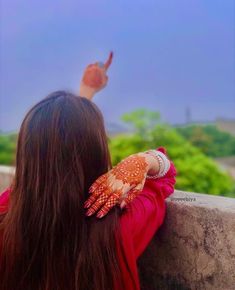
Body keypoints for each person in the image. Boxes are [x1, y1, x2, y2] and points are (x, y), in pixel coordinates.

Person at [0, 53, 177, 290]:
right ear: (97, 150)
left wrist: (86, 93)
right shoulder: (121, 226)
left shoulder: (6, 218)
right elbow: (164, 176)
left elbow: (46, 171)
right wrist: (142, 160)